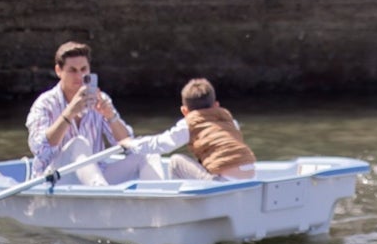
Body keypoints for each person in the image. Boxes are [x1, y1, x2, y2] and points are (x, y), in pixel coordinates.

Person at [26, 41, 150, 185]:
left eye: (84, 69)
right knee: (78, 143)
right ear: (58, 71)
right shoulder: (44, 103)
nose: (79, 76)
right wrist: (69, 113)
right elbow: (39, 149)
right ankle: (102, 195)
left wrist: (111, 116)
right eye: (72, 70)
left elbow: (129, 146)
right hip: (55, 180)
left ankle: (159, 204)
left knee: (146, 152)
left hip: (96, 175)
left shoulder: (99, 99)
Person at [119, 78, 256, 180]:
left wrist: (130, 143)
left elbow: (161, 144)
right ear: (216, 105)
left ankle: (178, 210)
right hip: (251, 177)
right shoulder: (230, 120)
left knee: (175, 161)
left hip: (225, 182)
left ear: (184, 111)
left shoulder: (189, 123)